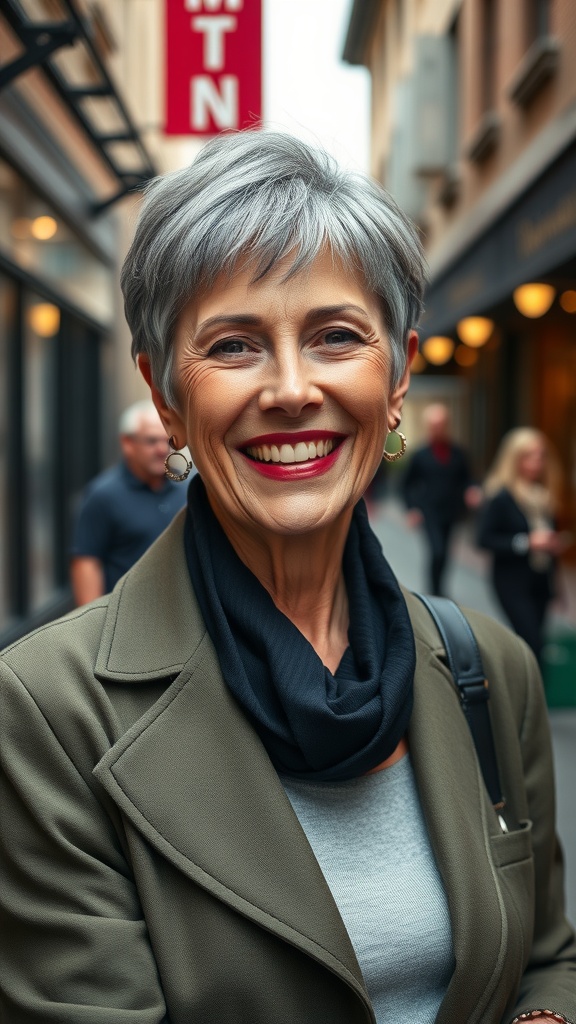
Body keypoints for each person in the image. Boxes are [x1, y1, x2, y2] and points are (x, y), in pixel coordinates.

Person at [1, 131, 575, 1024]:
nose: (292, 388)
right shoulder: (46, 711)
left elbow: (548, 956)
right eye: (233, 347)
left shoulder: (484, 669)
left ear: (397, 379)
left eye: (337, 337)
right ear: (165, 398)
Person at [69, 399, 188, 605]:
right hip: (126, 621)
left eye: (167, 441)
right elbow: (87, 562)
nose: (161, 449)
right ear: (127, 443)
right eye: (151, 441)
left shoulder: (188, 487)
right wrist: (93, 630)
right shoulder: (103, 495)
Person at [477, 427, 571, 662]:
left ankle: (536, 696)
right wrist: (526, 542)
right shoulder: (501, 496)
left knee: (536, 643)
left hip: (540, 580)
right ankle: (523, 695)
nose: (537, 462)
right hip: (512, 581)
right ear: (514, 459)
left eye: (541, 456)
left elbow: (548, 543)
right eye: (530, 456)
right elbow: (484, 539)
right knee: (531, 643)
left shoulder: (543, 495)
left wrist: (559, 586)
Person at [401, 402, 480, 595]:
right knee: (436, 551)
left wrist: (472, 490)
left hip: (452, 512)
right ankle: (434, 591)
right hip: (429, 512)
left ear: (447, 425)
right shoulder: (420, 455)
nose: (437, 428)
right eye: (434, 425)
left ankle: (440, 589)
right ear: (428, 427)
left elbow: (468, 478)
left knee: (445, 553)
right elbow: (406, 485)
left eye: (441, 424)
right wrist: (412, 508)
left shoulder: (458, 453)